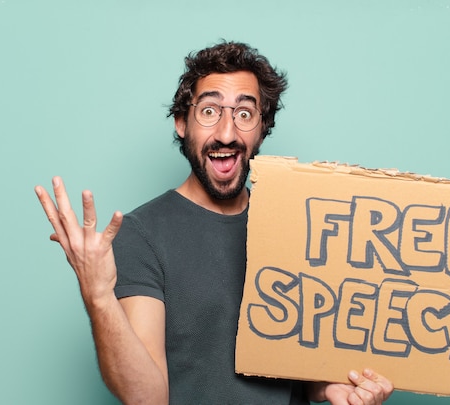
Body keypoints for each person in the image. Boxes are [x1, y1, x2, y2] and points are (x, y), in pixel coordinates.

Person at [35, 41, 394, 405]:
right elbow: (147, 397)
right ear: (181, 124)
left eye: (244, 114)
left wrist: (335, 387)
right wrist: (98, 296)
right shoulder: (141, 236)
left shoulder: (295, 225)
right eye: (209, 111)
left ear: (263, 127)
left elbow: (299, 364)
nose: (226, 133)